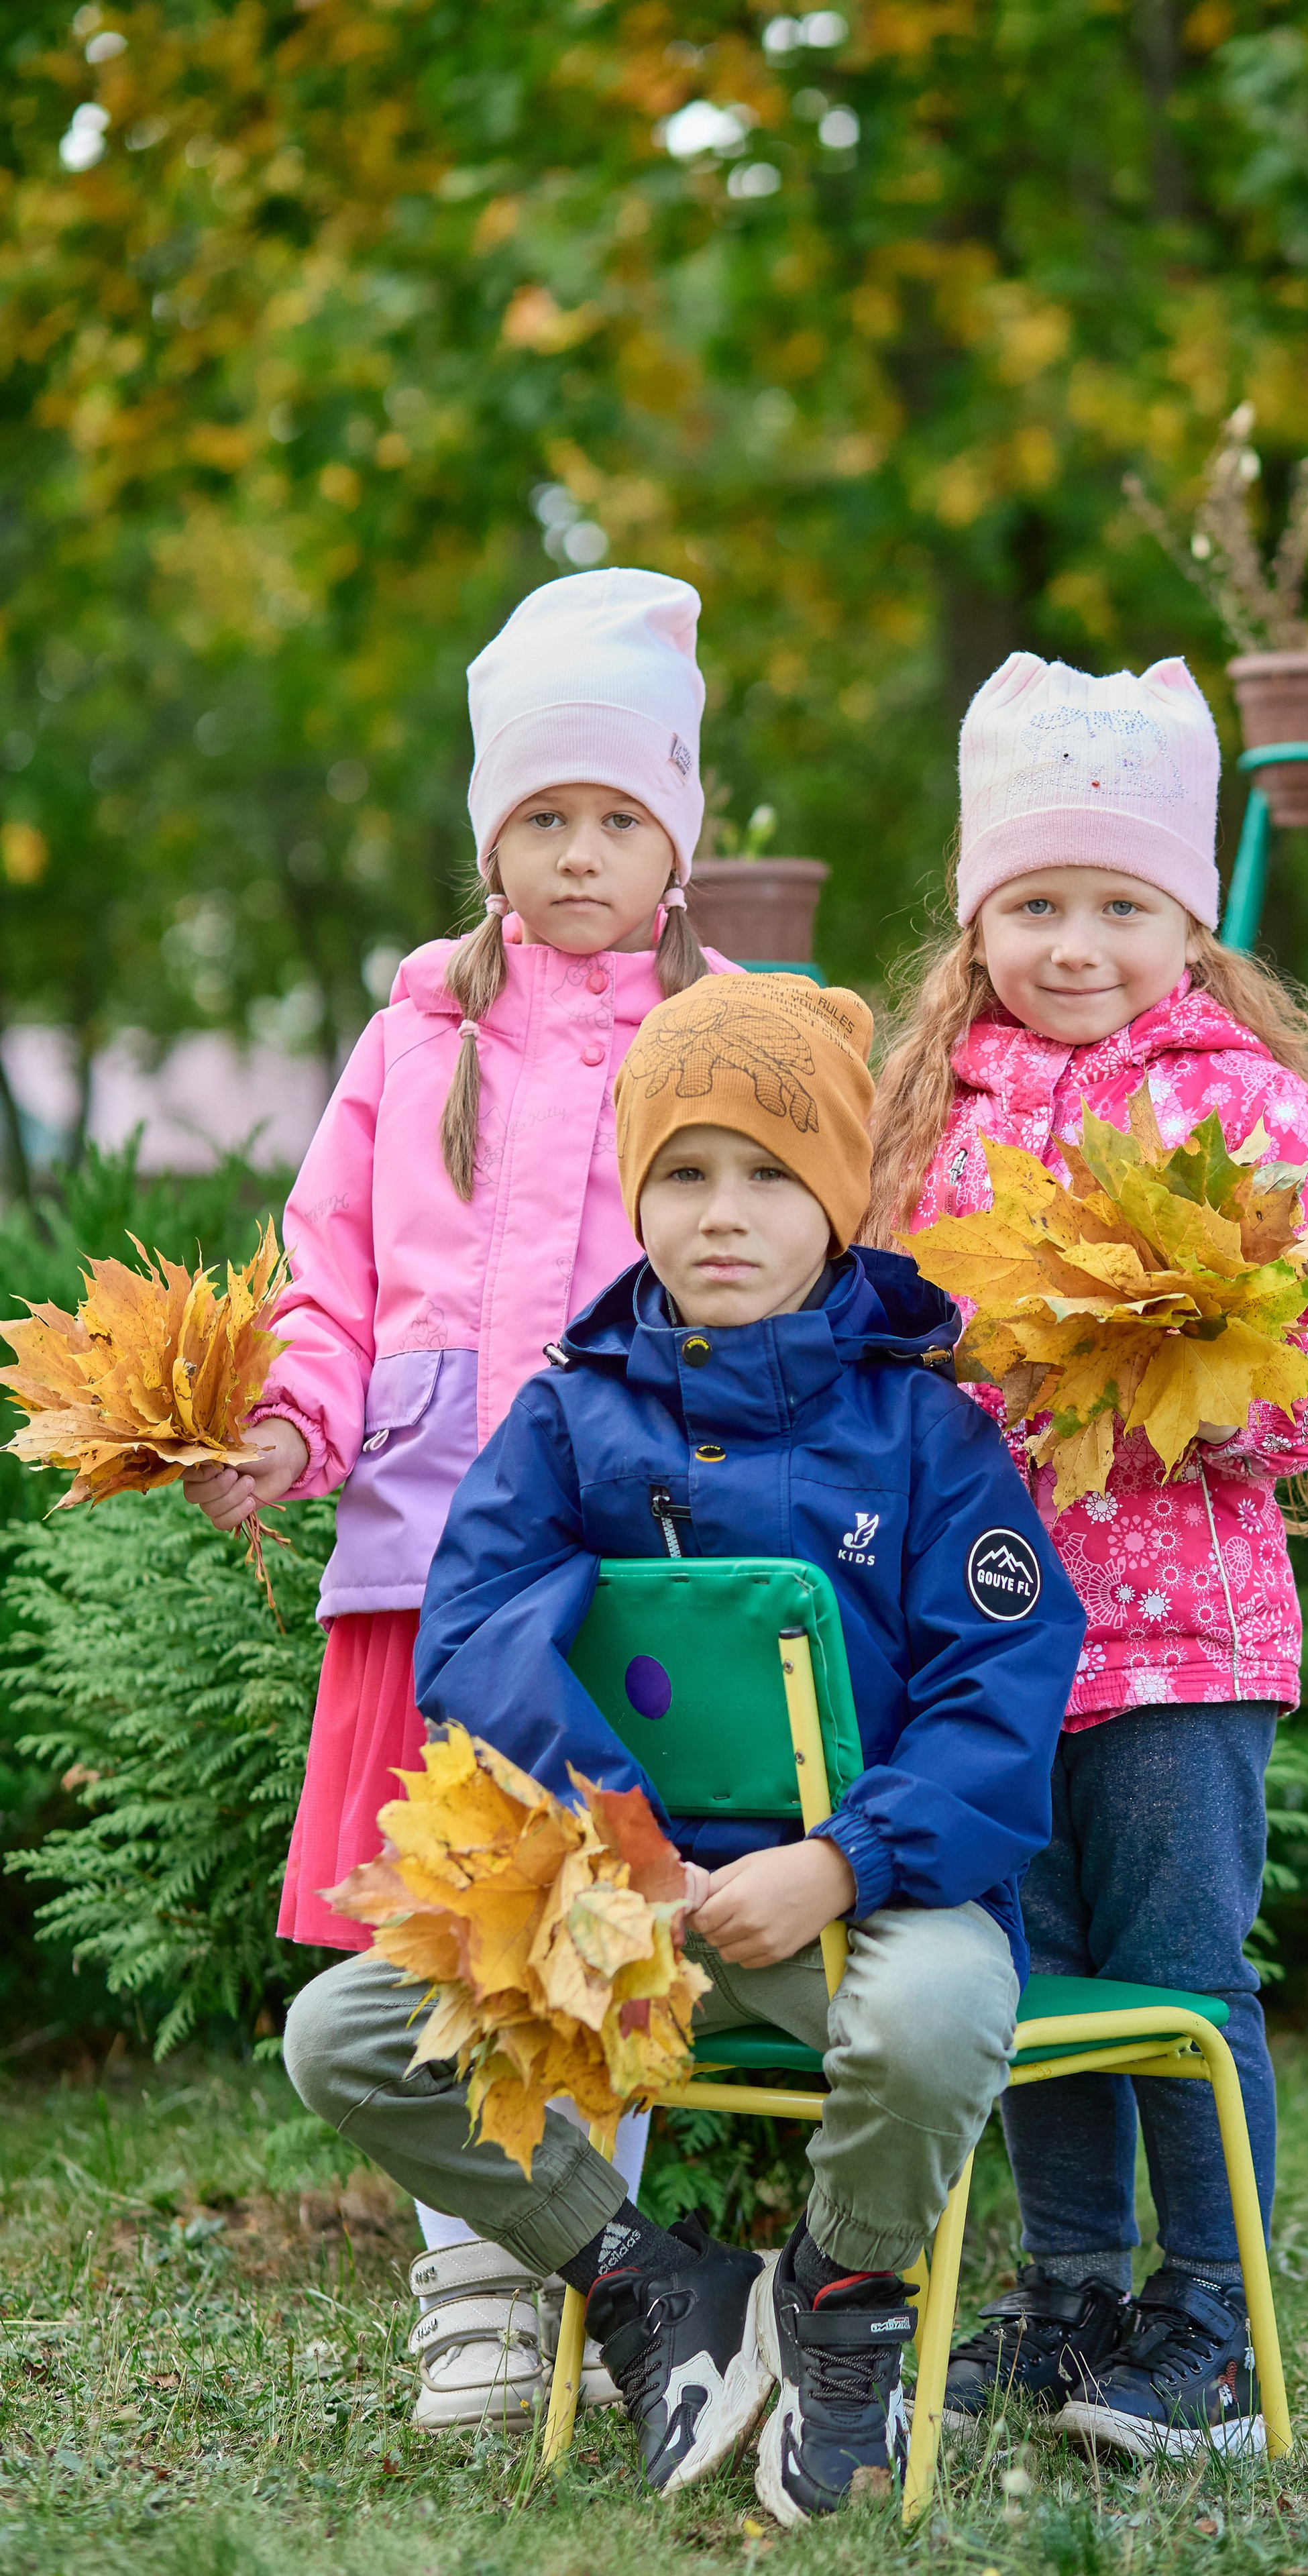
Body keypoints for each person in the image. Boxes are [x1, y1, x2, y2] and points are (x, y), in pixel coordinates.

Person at [280, 972, 1087, 2521]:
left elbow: (1002, 1686)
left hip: (864, 1901)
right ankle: (650, 2282)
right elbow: (475, 1639)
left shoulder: (927, 1434)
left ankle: (835, 2301)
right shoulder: (570, 1416)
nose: (725, 1214)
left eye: (773, 1174)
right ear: (636, 1193)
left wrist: (844, 1860)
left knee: (930, 2022)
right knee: (345, 2034)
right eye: (684, 1173)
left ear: (839, 1203)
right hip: (620, 1902)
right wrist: (618, 1845)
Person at [184, 568, 739, 2431]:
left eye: (617, 819)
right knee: (443, 1937)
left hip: (632, 1570)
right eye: (543, 819)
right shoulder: (414, 1034)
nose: (580, 854)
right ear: (493, 831)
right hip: (428, 1557)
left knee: (600, 1924)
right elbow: (331, 1280)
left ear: (680, 829)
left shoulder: (721, 1029)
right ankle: (482, 2300)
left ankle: (611, 2290)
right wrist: (285, 1425)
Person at [861, 649, 1308, 2457]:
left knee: (1179, 1969)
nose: (1076, 943)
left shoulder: (1241, 1103)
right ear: (977, 917)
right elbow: (889, 1340)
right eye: (1035, 903)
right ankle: (1074, 2296)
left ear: (1186, 917)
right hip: (987, 1650)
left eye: (1120, 903)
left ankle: (1216, 2319)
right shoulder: (930, 1115)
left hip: (1186, 1647)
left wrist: (1189, 1379)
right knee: (1026, 1978)